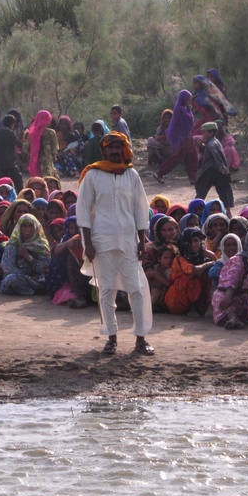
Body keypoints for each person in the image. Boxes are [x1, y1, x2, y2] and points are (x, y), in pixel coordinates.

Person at [76, 132, 154, 356]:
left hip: (129, 240)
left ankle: (140, 338)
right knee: (107, 290)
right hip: (101, 241)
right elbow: (83, 212)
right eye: (110, 147)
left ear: (124, 149)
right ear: (104, 151)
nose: (114, 151)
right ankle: (111, 338)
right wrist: (87, 244)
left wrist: (142, 239)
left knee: (136, 289)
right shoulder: (92, 175)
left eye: (118, 147)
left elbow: (141, 209)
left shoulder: (132, 175)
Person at [0, 214, 52, 296]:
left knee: (48, 279)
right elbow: (8, 267)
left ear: (35, 227)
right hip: (19, 278)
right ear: (19, 228)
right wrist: (26, 277)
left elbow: (45, 268)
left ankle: (27, 290)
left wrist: (28, 257)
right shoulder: (13, 244)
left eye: (30, 226)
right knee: (11, 279)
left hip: (37, 279)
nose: (27, 229)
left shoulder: (41, 245)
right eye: (24, 226)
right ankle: (31, 291)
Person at [154, 90, 198, 185]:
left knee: (190, 156)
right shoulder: (180, 110)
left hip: (187, 137)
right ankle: (160, 172)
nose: (189, 101)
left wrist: (189, 109)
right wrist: (189, 110)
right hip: (182, 138)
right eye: (188, 99)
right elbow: (186, 122)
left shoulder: (185, 109)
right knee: (177, 157)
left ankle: (193, 177)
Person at [195, 121, 234, 212]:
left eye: (205, 132)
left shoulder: (211, 144)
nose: (203, 134)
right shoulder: (216, 142)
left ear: (211, 133)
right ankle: (228, 212)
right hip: (218, 172)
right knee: (223, 191)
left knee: (201, 190)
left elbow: (215, 155)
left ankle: (195, 210)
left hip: (210, 171)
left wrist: (221, 166)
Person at [0, 113, 24, 189]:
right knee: (18, 180)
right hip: (9, 163)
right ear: (12, 124)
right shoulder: (10, 133)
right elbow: (19, 144)